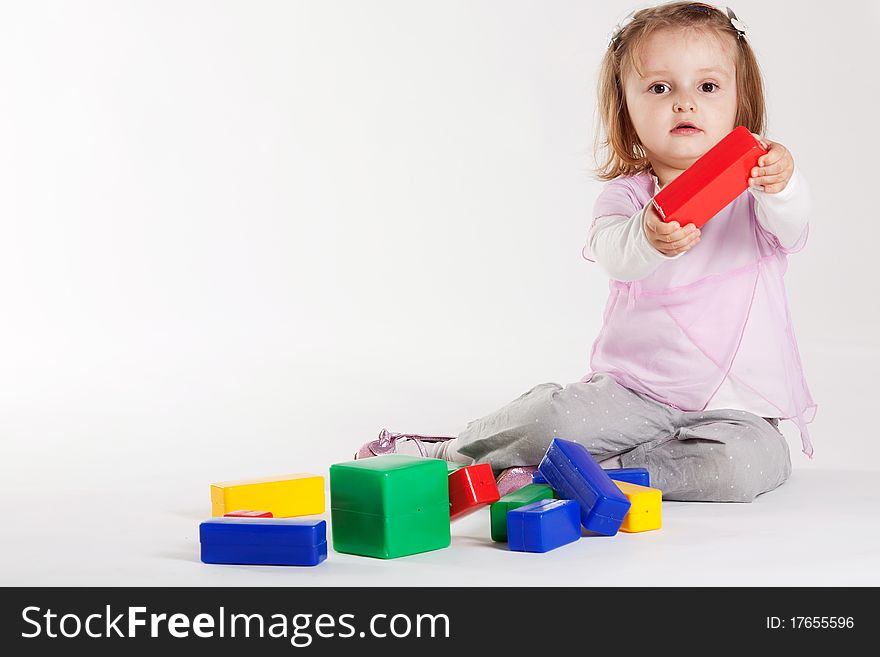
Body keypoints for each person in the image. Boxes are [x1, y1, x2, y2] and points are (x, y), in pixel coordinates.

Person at [355, 2, 815, 503]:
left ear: (738, 100)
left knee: (743, 467)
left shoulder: (756, 190)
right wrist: (647, 235)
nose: (685, 103)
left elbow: (791, 227)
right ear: (627, 107)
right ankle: (454, 451)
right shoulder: (629, 197)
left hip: (733, 408)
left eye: (707, 87)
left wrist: (784, 187)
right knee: (552, 420)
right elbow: (616, 254)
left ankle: (580, 474)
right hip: (636, 393)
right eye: (660, 88)